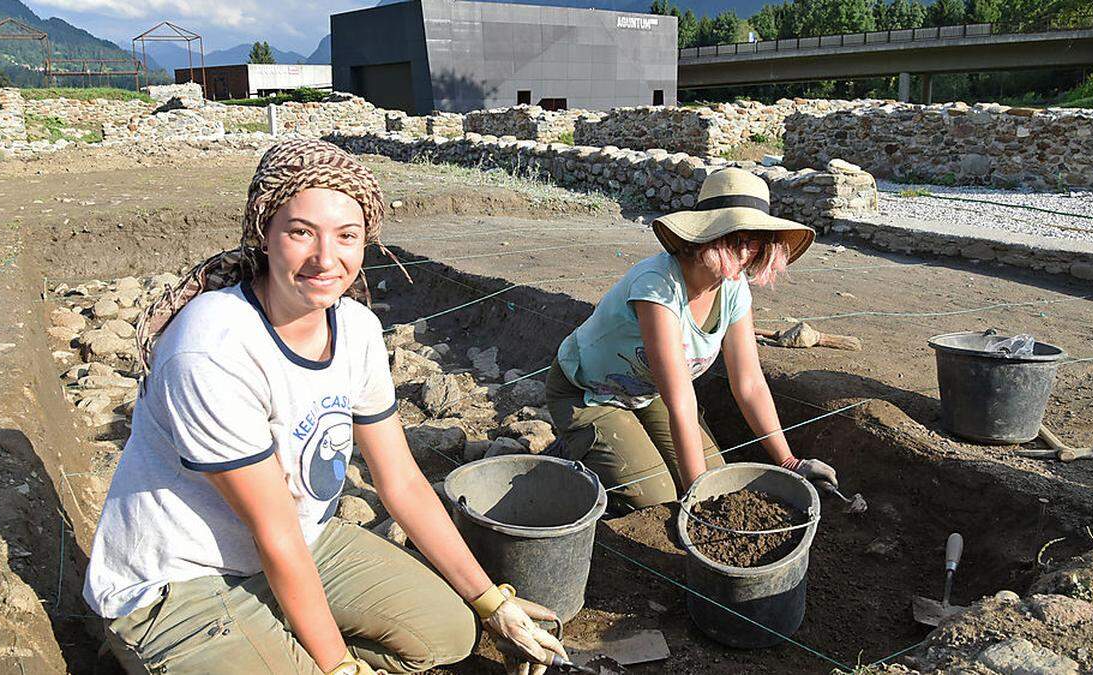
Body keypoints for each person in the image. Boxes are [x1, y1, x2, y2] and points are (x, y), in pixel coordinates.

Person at [84, 140, 566, 675]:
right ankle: (161, 645)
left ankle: (275, 630)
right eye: (300, 232)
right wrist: (338, 665)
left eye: (347, 236)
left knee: (451, 633)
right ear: (263, 234)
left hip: (299, 542)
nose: (325, 259)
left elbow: (401, 480)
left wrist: (491, 602)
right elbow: (274, 531)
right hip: (181, 578)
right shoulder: (213, 346)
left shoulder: (355, 327)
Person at [545, 167, 839, 512]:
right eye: (734, 237)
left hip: (646, 394)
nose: (745, 251)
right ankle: (571, 451)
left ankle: (618, 446)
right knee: (655, 499)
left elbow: (749, 384)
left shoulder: (733, 290)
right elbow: (681, 397)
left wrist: (790, 462)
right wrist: (698, 505)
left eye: (754, 238)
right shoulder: (657, 286)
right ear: (707, 234)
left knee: (716, 479)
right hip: (588, 394)